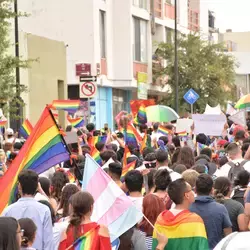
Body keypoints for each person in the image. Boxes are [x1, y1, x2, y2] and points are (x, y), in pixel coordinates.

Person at [2, 169, 54, 250]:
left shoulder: (8, 210)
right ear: (37, 187)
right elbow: (49, 242)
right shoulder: (44, 210)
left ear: (19, 186)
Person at [152, 179, 209, 250]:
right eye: (191, 189)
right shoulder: (195, 220)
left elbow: (155, 244)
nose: (194, 192)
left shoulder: (161, 218)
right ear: (187, 195)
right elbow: (202, 247)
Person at [190, 174, 232, 249]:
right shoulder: (221, 208)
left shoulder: (188, 208)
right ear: (212, 190)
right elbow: (228, 234)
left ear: (195, 190)